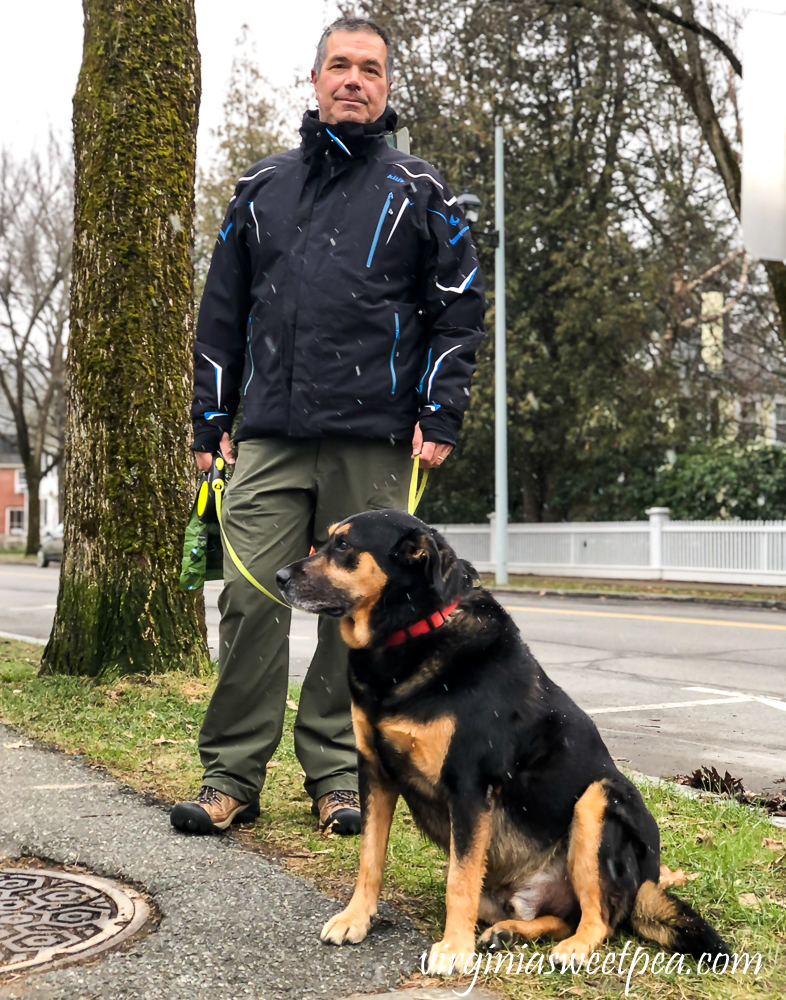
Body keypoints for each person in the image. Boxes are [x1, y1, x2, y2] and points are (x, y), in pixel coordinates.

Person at [170, 15, 485, 836]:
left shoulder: (425, 192)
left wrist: (439, 408)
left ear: (386, 87)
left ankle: (337, 778)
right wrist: (211, 421)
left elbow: (459, 313)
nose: (354, 79)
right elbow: (221, 315)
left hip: (375, 439)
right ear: (315, 81)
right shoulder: (260, 189)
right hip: (269, 434)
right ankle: (230, 776)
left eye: (370, 69)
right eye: (339, 66)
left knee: (356, 616)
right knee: (248, 598)